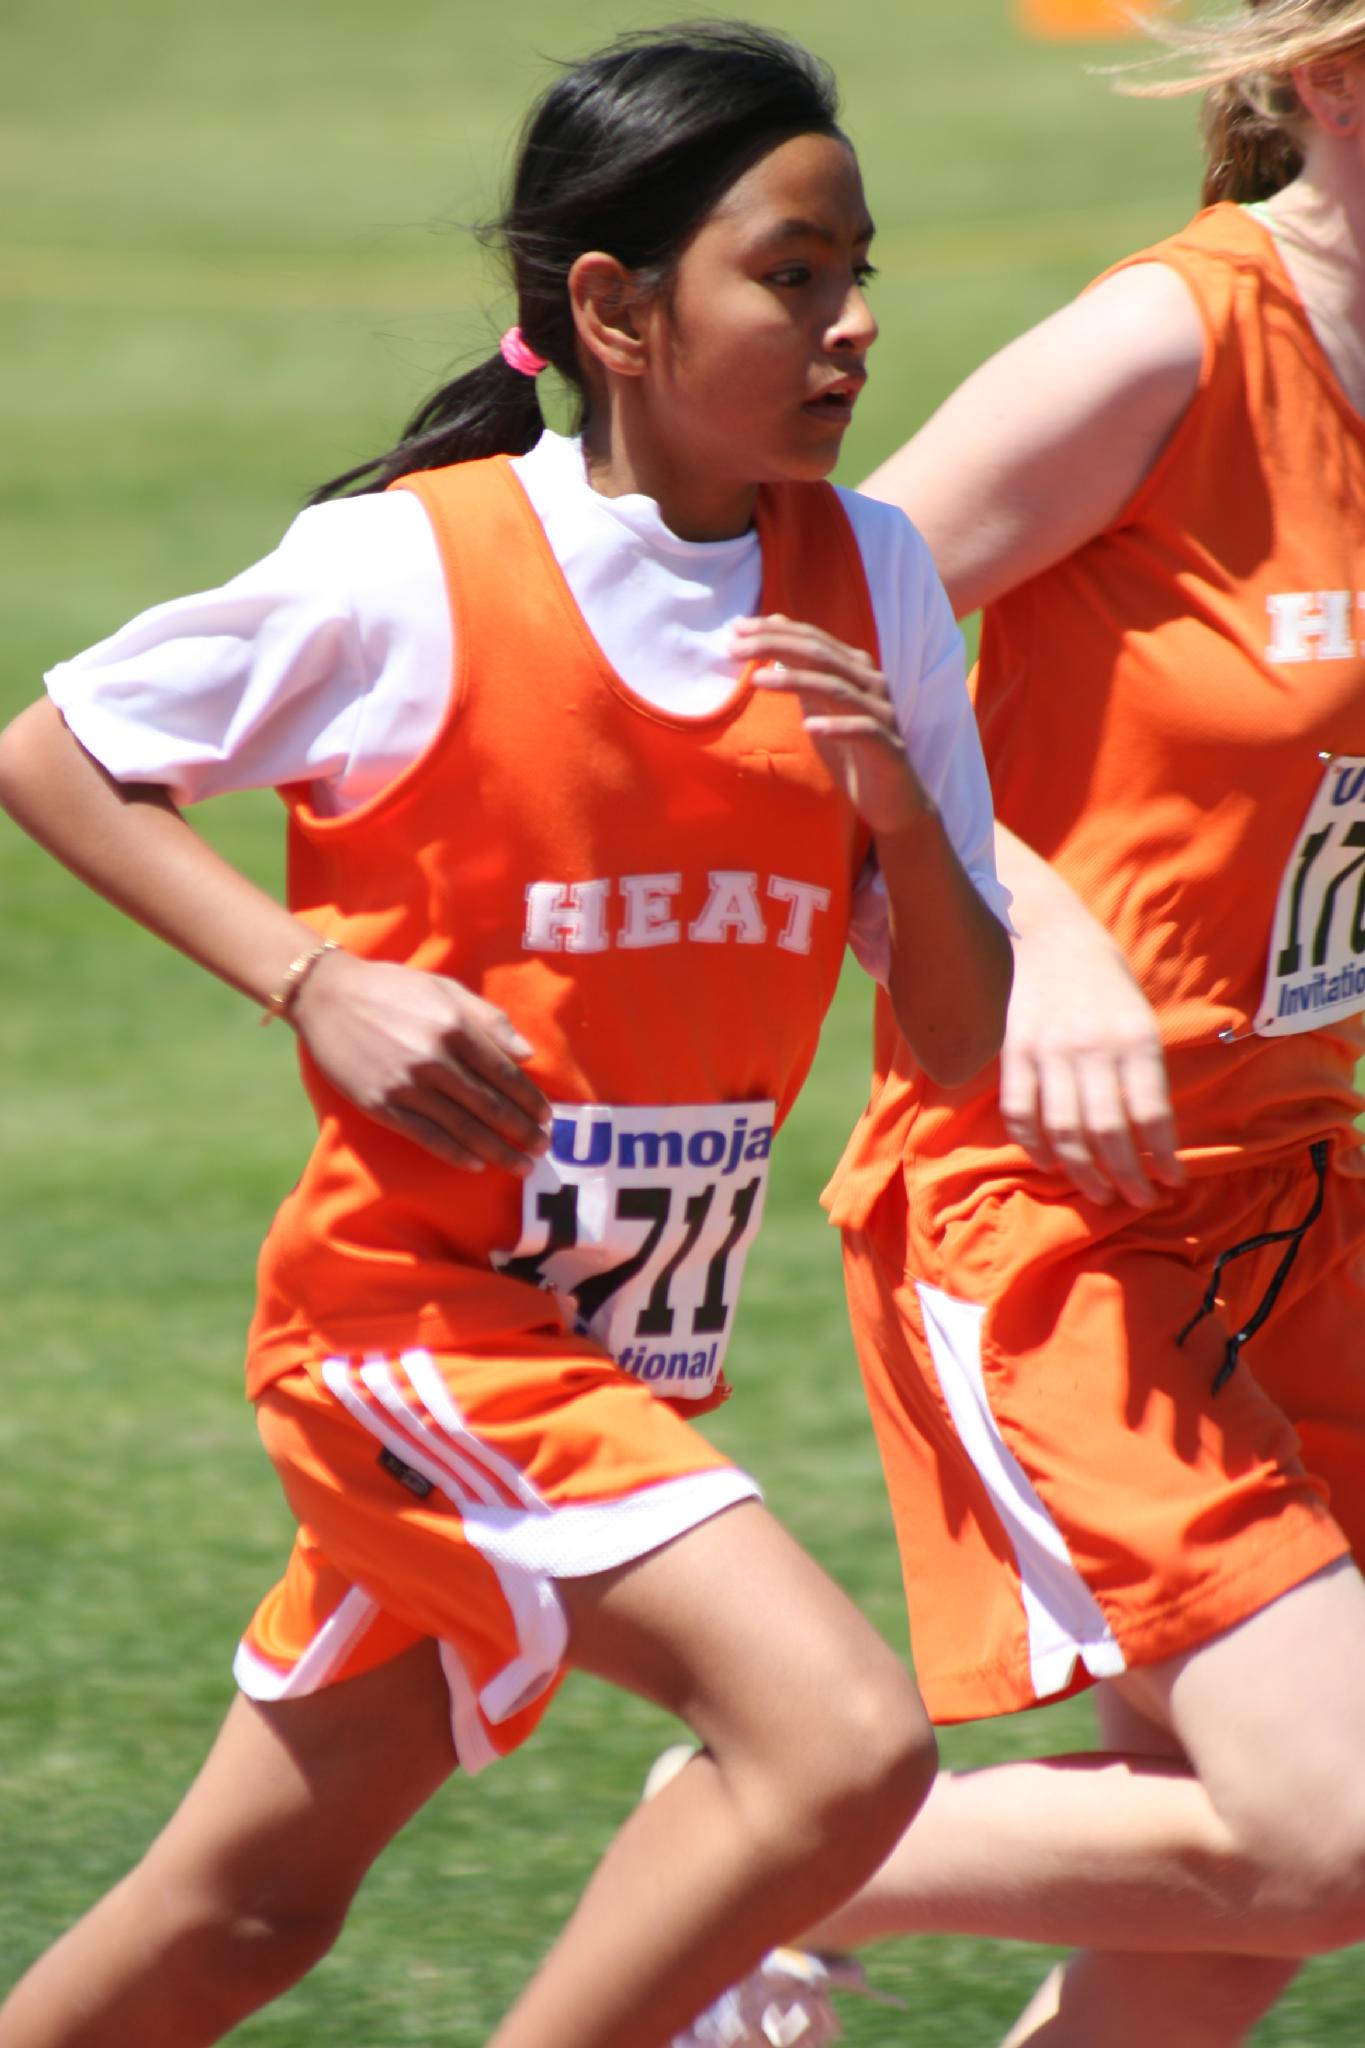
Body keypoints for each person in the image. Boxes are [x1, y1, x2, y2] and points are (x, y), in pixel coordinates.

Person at [0, 22, 1014, 2048]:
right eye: (789, 275)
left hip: (607, 1365)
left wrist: (899, 819)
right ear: (615, 312)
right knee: (838, 1740)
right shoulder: (415, 564)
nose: (849, 325)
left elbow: (962, 1033)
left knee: (245, 1913)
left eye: (855, 272)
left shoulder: (871, 576)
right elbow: (58, 752)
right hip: (413, 1333)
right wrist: (313, 978)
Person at [755, 2, 1365, 2043]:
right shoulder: (1171, 341)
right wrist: (1031, 921)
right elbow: (798, 631)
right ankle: (750, 1843)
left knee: (1244, 1908)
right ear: (1336, 80)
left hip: (1290, 1195)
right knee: (1334, 1832)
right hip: (1045, 1209)